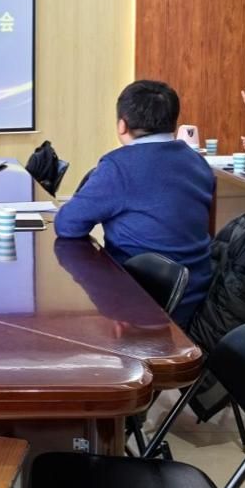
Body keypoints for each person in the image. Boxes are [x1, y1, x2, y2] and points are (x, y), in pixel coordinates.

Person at [55, 81, 214, 327]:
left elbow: (67, 225)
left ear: (122, 125)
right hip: (197, 296)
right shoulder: (197, 161)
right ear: (173, 122)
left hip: (143, 301)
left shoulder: (119, 166)